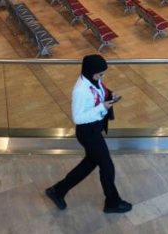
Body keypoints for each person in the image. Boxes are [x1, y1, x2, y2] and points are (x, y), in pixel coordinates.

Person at [45, 55, 131, 214]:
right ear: (91, 72)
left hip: (94, 129)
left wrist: (110, 95)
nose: (102, 77)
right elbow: (78, 118)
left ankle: (58, 190)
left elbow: (99, 92)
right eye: (100, 74)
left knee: (89, 163)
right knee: (107, 167)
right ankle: (112, 202)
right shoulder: (80, 90)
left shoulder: (92, 81)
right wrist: (102, 107)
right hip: (88, 133)